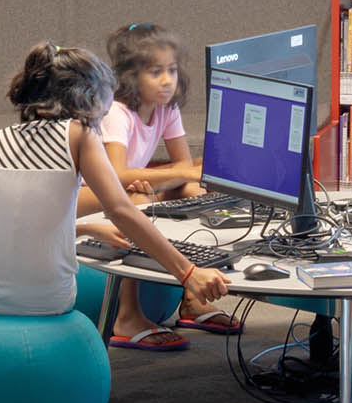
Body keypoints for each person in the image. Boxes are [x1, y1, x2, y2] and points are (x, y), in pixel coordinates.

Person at [0, 42, 228, 349]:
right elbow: (121, 210)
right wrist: (188, 272)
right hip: (42, 299)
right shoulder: (79, 134)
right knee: (134, 205)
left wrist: (85, 228)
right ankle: (130, 317)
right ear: (89, 98)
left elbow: (9, 226)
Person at [79, 23, 241, 346]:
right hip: (87, 194)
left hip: (125, 189)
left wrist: (186, 175)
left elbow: (184, 171)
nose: (167, 80)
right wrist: (184, 172)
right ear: (131, 76)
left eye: (172, 70)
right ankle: (127, 315)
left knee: (192, 192)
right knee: (138, 202)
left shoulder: (167, 109)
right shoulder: (117, 112)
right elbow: (115, 176)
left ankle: (192, 299)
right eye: (156, 72)